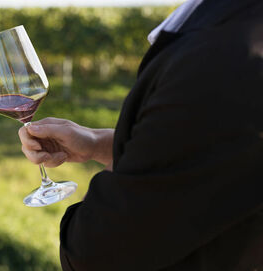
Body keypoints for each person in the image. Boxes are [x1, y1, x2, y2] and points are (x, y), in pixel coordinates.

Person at [18, 0, 263, 270]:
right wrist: (101, 143)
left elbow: (95, 251)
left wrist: (119, 164)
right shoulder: (230, 29)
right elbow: (209, 154)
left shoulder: (222, 55)